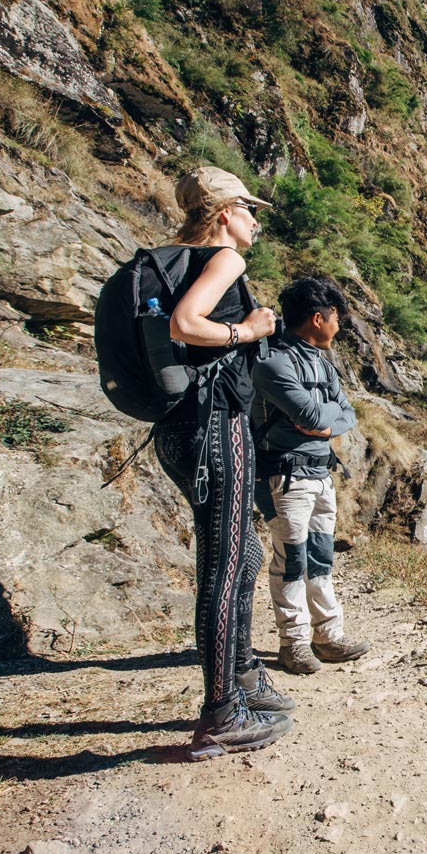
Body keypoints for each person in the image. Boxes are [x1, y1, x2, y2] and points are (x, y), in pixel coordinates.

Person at [156, 166, 295, 760]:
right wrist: (248, 329)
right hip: (214, 429)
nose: (255, 220)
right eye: (247, 208)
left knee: (244, 553)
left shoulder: (167, 262)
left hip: (181, 430)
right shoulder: (224, 260)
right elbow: (185, 323)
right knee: (224, 565)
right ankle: (220, 713)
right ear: (221, 214)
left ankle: (241, 679)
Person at [252, 277, 371, 674]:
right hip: (284, 477)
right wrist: (326, 421)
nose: (340, 325)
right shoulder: (272, 364)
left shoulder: (321, 361)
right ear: (319, 318)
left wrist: (326, 426)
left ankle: (329, 636)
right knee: (291, 560)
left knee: (320, 557)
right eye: (337, 317)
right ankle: (294, 643)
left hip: (320, 473)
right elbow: (314, 415)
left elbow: (346, 414)